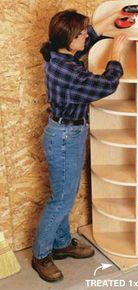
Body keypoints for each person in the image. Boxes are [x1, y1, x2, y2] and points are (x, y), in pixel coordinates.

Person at [32, 9, 127, 282]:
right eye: (81, 34)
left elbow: (85, 41)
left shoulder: (55, 52)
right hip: (65, 137)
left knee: (64, 195)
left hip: (64, 132)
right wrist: (115, 55)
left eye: (85, 32)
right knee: (60, 200)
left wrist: (111, 22)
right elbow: (106, 85)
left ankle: (61, 244)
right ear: (68, 39)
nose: (86, 36)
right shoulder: (70, 73)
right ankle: (41, 255)